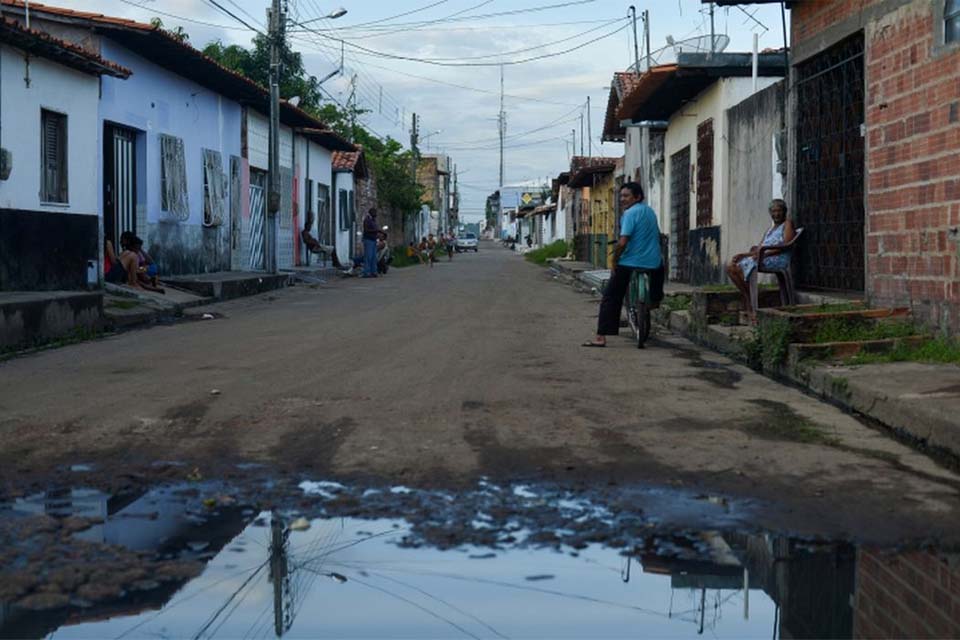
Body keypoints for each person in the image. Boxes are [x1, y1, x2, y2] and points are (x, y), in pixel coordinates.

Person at [582, 182, 664, 348]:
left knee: (610, 297)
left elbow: (623, 241)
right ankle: (654, 301)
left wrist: (614, 261)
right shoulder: (650, 212)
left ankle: (600, 337)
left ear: (637, 197)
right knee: (660, 270)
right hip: (652, 262)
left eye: (626, 196)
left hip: (629, 262)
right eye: (621, 196)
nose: (622, 199)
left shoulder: (629, 213)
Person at [725, 198, 795, 322]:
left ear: (784, 212)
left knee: (739, 267)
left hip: (777, 259)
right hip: (763, 257)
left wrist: (765, 254)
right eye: (773, 211)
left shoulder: (787, 224)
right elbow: (759, 248)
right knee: (731, 267)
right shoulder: (770, 229)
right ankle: (749, 296)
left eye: (779, 211)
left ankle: (752, 303)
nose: (776, 214)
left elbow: (786, 244)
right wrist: (744, 255)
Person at [361, 207, 379, 278]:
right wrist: (375, 230)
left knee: (374, 257)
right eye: (375, 213)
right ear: (371, 213)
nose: (376, 214)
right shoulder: (367, 220)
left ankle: (373, 271)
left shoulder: (373, 220)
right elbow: (366, 230)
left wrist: (378, 231)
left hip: (374, 240)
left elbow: (376, 229)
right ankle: (367, 272)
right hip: (368, 240)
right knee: (368, 256)